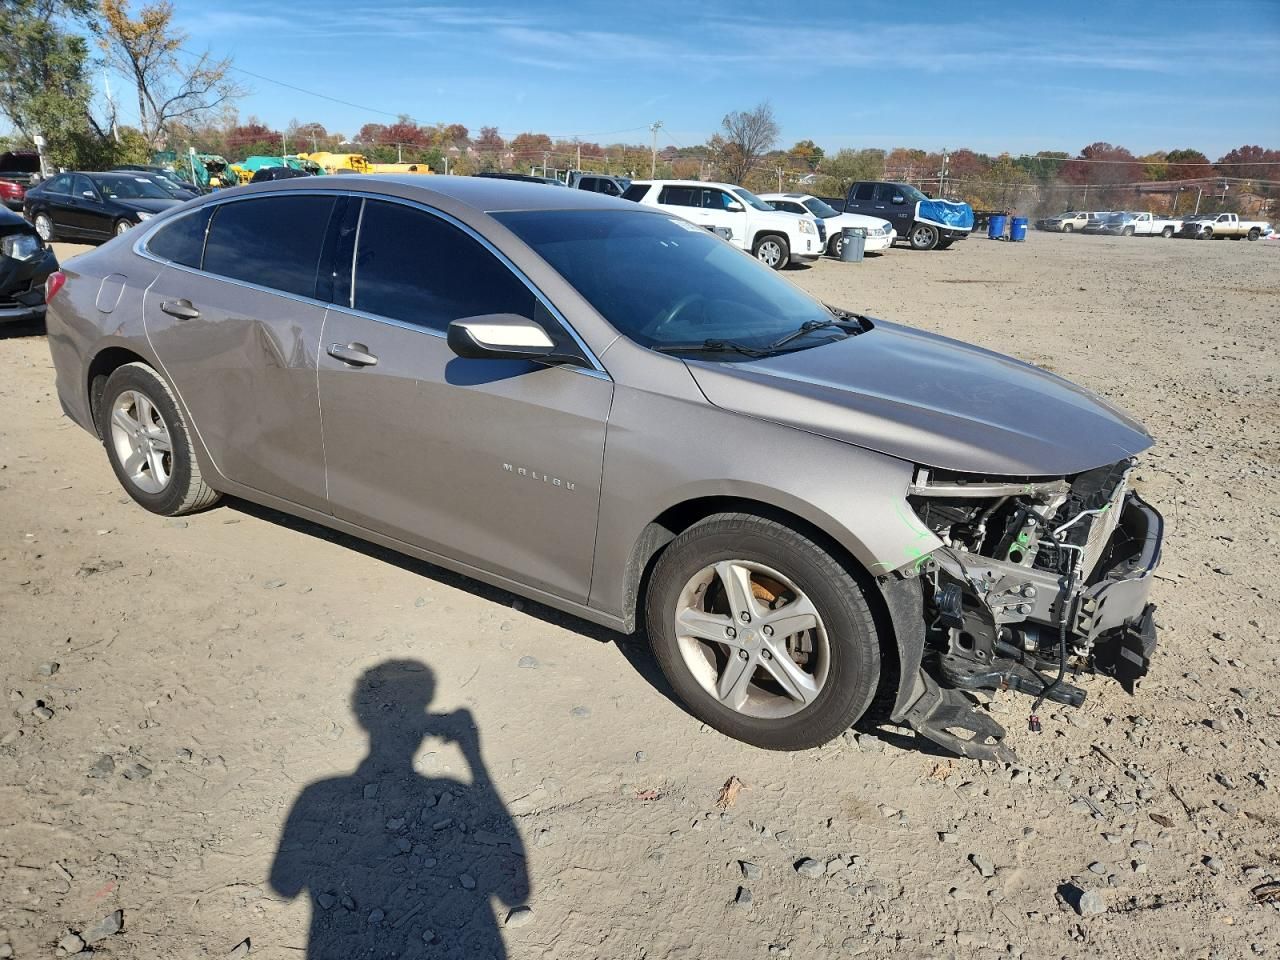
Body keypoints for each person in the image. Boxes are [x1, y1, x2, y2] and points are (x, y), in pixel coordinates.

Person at [270, 660, 528, 959]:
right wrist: (473, 756)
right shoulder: (452, 791)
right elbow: (514, 893)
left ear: (362, 719)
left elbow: (284, 885)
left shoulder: (318, 795)